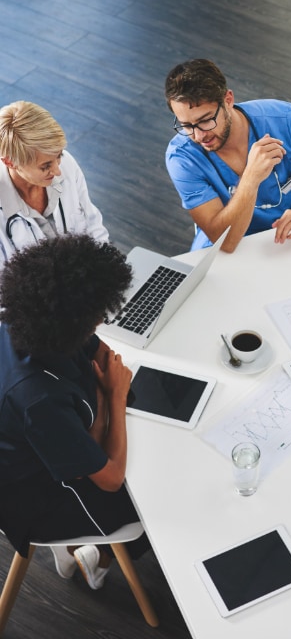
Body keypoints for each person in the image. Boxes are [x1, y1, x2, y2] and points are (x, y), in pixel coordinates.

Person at [0, 234, 147, 590]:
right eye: (96, 318)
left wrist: (96, 422)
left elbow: (103, 356)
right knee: (154, 507)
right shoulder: (39, 398)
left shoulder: (30, 321)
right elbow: (110, 479)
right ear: (74, 323)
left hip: (48, 445)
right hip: (39, 498)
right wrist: (112, 396)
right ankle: (94, 560)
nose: (99, 324)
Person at [164, 58, 291, 253]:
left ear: (228, 100)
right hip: (228, 245)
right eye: (186, 126)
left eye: (206, 120)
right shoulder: (182, 158)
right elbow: (226, 243)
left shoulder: (284, 120)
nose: (198, 136)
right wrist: (251, 178)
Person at [0, 100, 108, 266]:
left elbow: (93, 225)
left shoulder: (66, 164)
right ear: (10, 162)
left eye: (59, 156)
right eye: (45, 166)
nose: (58, 171)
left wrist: (105, 269)